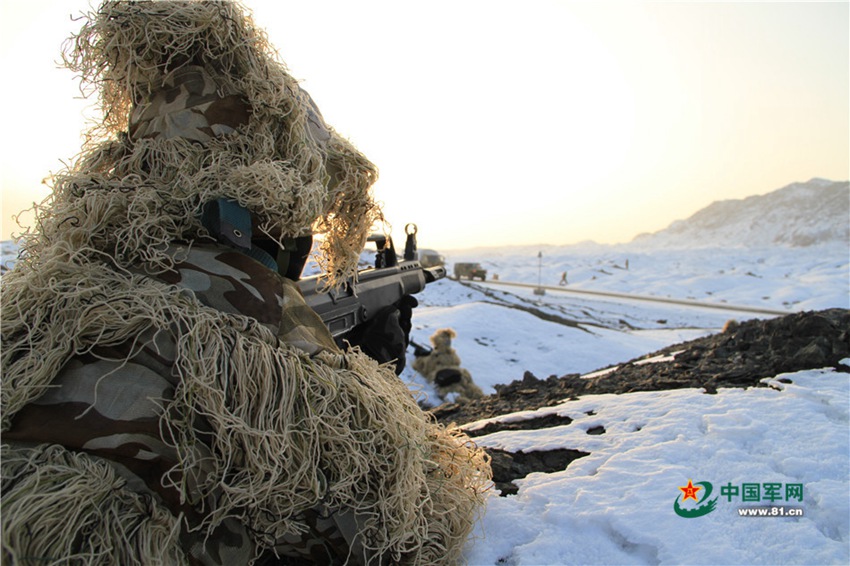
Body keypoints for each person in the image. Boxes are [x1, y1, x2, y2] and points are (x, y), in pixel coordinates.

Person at [0, 2, 490, 564]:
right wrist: (373, 381)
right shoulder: (265, 333)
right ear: (275, 194)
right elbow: (396, 530)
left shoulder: (47, 299)